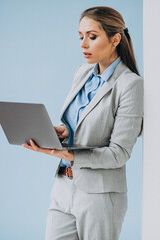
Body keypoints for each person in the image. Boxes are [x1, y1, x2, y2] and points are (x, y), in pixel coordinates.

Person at [22, 6, 143, 240]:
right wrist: (60, 131)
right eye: (81, 36)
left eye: (92, 36)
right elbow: (80, 124)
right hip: (63, 185)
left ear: (115, 39)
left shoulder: (130, 84)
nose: (83, 44)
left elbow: (119, 154)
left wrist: (70, 155)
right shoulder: (82, 72)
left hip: (100, 195)